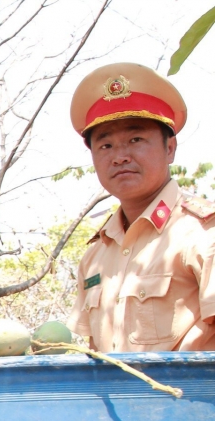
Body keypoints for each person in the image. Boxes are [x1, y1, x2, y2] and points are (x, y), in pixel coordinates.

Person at [66, 62, 215, 352]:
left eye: (135, 139)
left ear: (170, 148)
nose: (120, 156)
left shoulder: (203, 234)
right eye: (106, 145)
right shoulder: (96, 255)